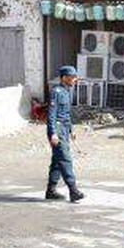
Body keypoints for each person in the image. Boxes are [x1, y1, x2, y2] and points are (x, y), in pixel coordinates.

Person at [45, 66, 84, 203]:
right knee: (65, 159)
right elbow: (51, 115)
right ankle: (73, 190)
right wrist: (52, 133)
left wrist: (71, 130)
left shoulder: (66, 92)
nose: (75, 79)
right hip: (57, 130)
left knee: (57, 161)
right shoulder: (56, 92)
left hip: (64, 130)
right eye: (72, 77)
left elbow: (66, 115)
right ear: (64, 78)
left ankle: (51, 190)